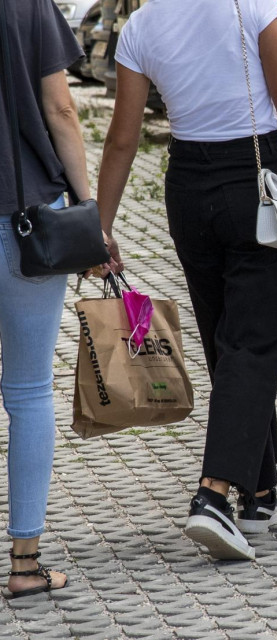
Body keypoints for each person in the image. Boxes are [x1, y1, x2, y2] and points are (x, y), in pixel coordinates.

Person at [96, 0, 277, 561]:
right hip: (254, 180)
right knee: (253, 340)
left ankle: (259, 493)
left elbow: (121, 138)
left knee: (227, 338)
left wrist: (102, 226)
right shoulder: (249, 4)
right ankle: (214, 495)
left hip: (187, 187)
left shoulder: (141, 26)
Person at [0, 0, 94, 597]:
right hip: (27, 218)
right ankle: (25, 566)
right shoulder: (28, 3)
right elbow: (61, 108)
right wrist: (90, 214)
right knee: (30, 391)